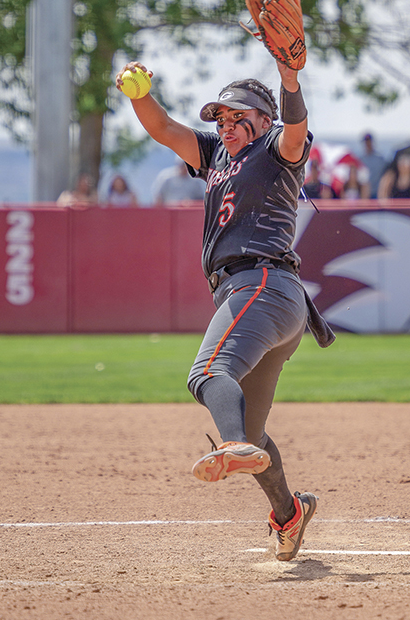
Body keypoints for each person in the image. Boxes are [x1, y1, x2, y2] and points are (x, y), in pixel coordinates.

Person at [115, 54, 335, 562]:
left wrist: (290, 80)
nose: (227, 125)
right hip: (269, 299)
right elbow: (165, 128)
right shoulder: (216, 154)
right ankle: (289, 513)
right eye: (221, 117)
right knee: (251, 429)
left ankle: (233, 445)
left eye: (240, 117)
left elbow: (297, 131)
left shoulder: (276, 150)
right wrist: (139, 95)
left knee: (208, 372)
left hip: (260, 284)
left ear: (264, 122)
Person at [359, 132, 388, 199]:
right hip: (364, 195)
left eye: (369, 141)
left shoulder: (380, 159)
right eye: (366, 142)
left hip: (378, 193)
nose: (368, 144)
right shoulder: (360, 160)